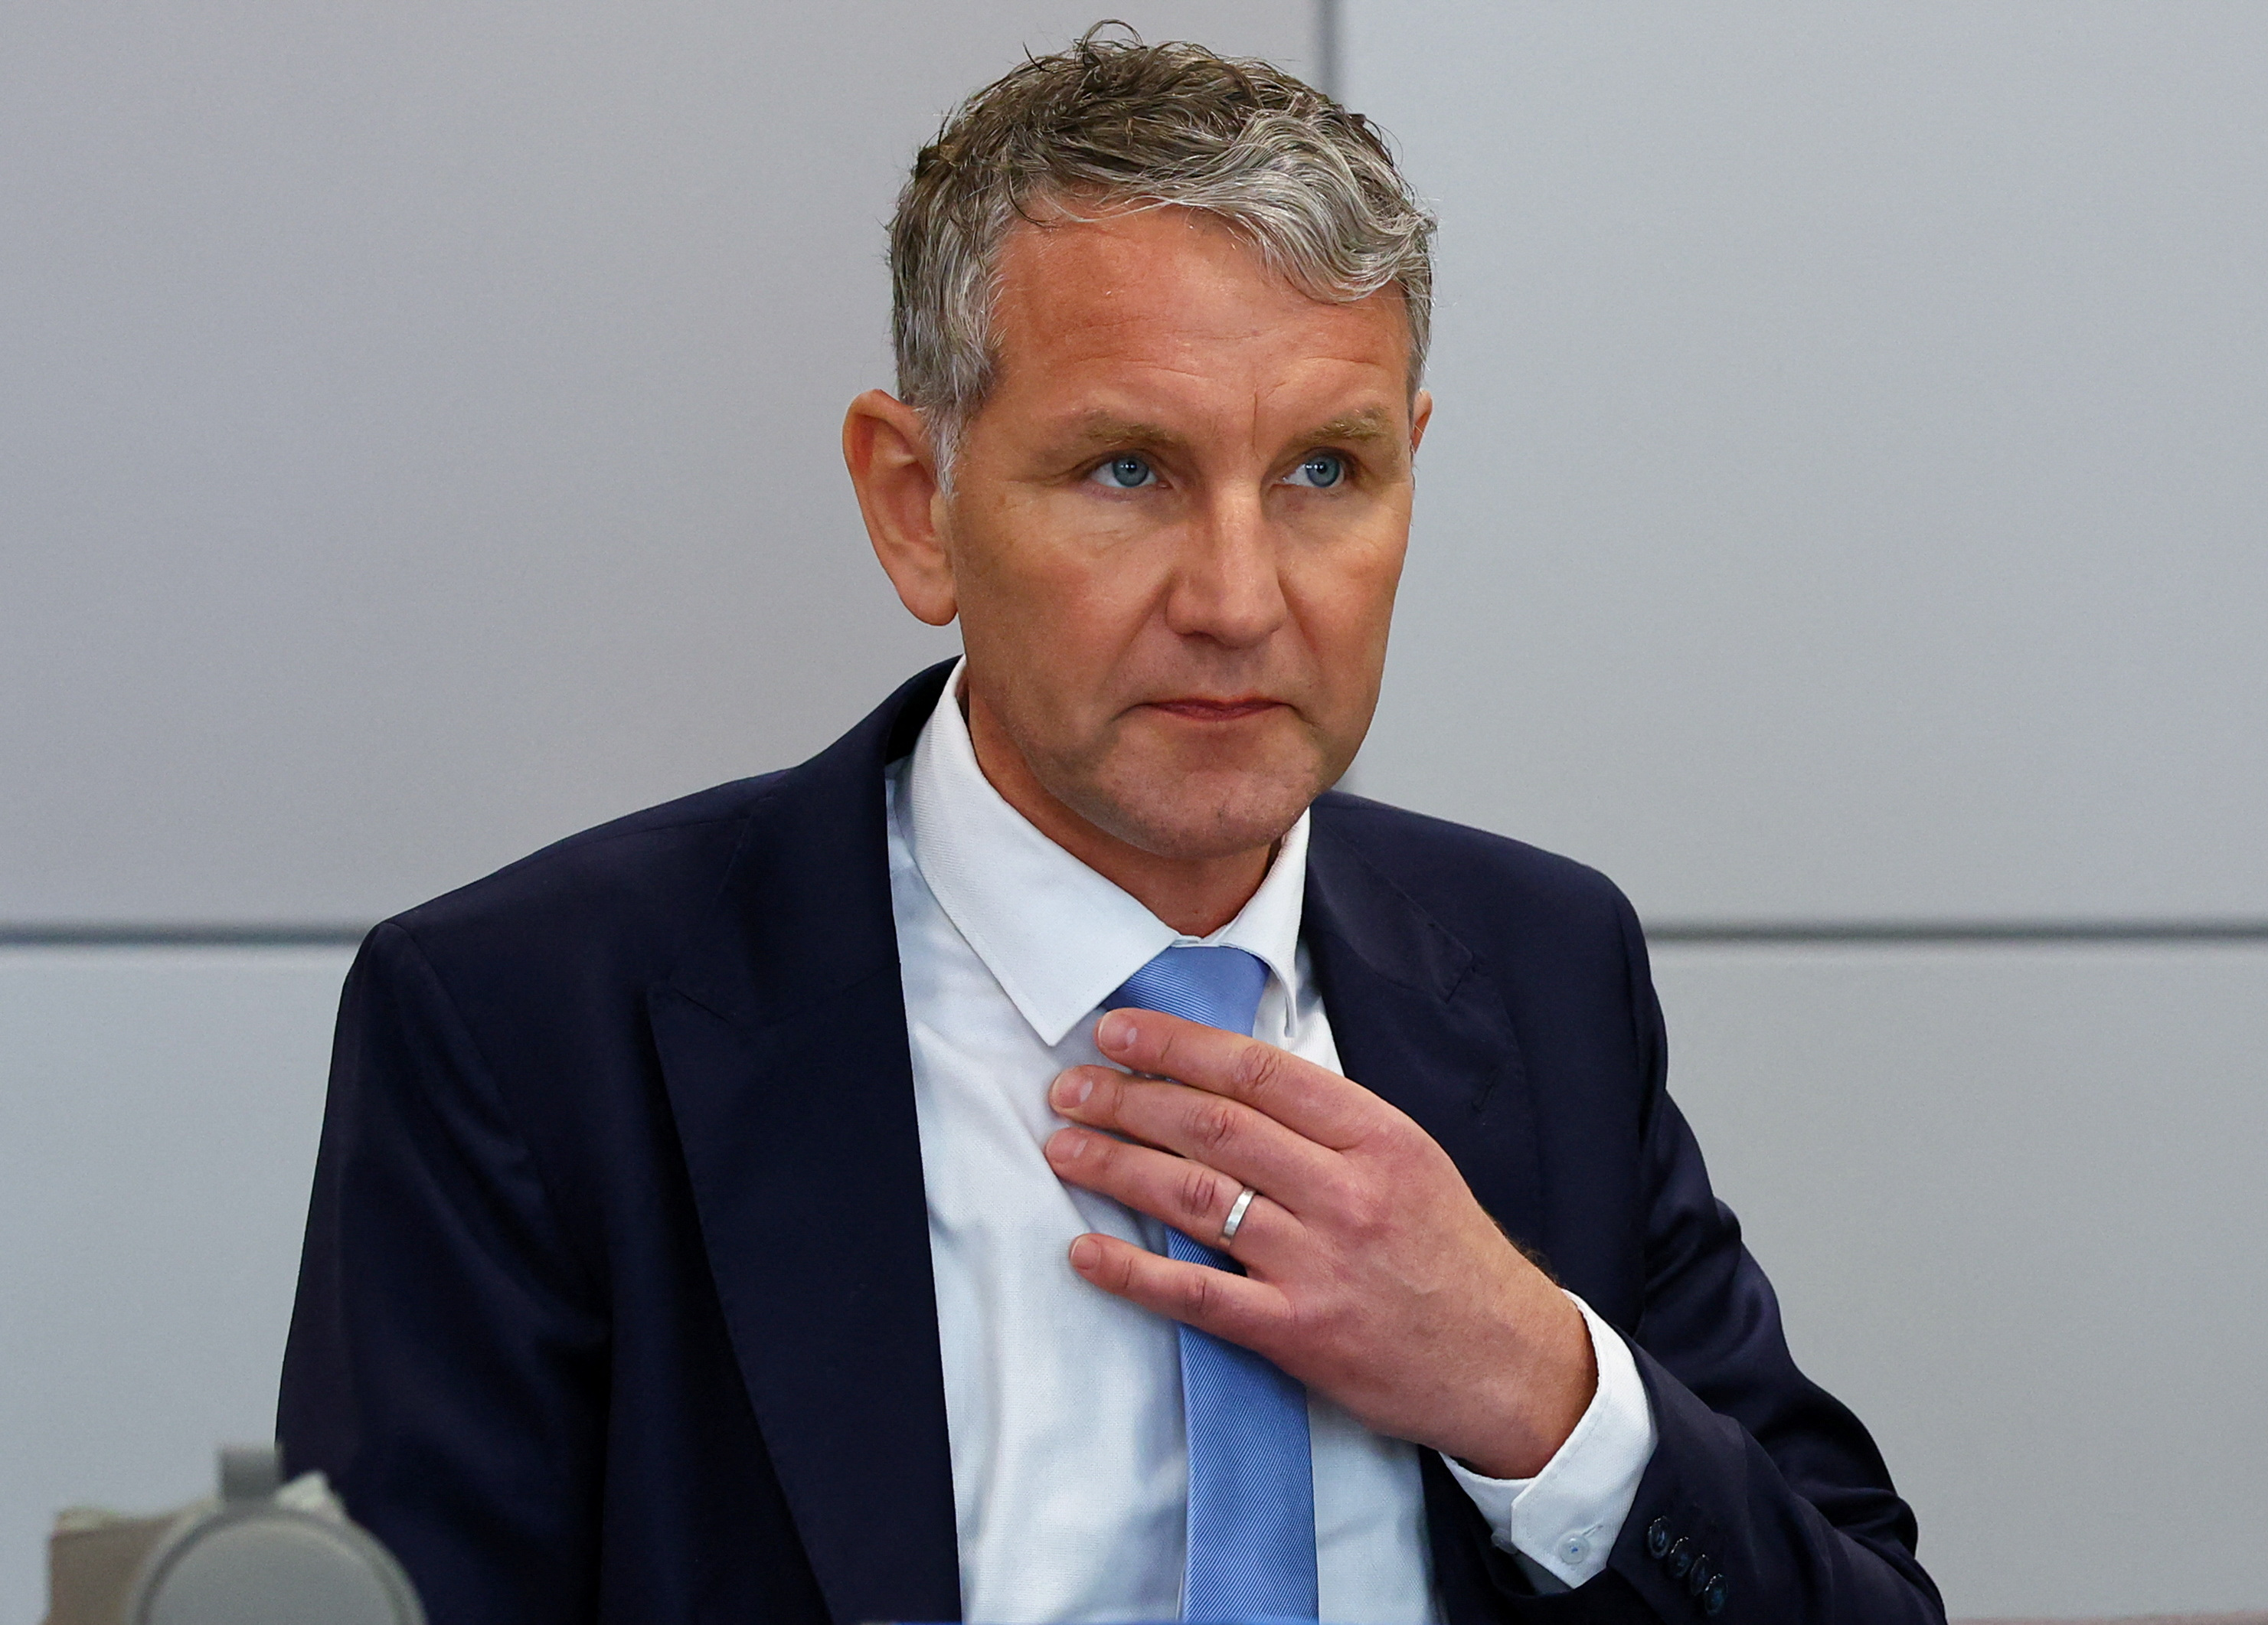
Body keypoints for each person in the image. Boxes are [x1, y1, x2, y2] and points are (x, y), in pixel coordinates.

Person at [279, 31, 1944, 1625]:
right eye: (1131, 470)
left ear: (1409, 475)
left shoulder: (1538, 966)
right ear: (915, 505)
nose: (1239, 600)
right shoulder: (529, 1027)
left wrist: (1531, 1380)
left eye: (1323, 471)